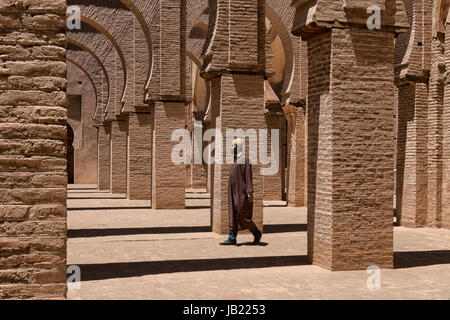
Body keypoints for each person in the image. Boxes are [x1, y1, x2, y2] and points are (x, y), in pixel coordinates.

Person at [220, 138, 262, 246]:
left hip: (241, 193)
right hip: (234, 194)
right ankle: (232, 238)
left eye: (232, 145)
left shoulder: (244, 159)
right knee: (233, 214)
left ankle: (256, 233)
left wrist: (249, 192)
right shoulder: (236, 159)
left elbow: (248, 176)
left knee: (242, 215)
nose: (230, 147)